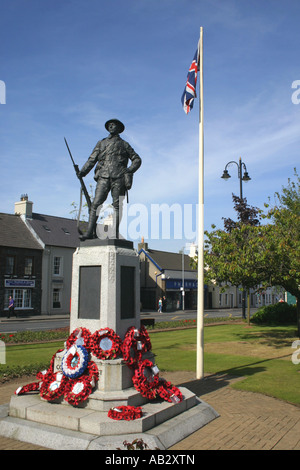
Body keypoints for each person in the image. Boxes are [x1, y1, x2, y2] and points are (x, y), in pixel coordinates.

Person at [78, 119, 142, 240]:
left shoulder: (124, 144)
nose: (112, 126)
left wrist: (128, 170)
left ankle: (114, 233)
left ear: (119, 128)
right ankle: (89, 233)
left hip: (119, 177)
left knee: (117, 206)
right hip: (103, 176)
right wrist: (82, 172)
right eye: (110, 125)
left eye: (114, 125)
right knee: (95, 204)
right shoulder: (101, 143)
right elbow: (92, 159)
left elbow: (137, 159)